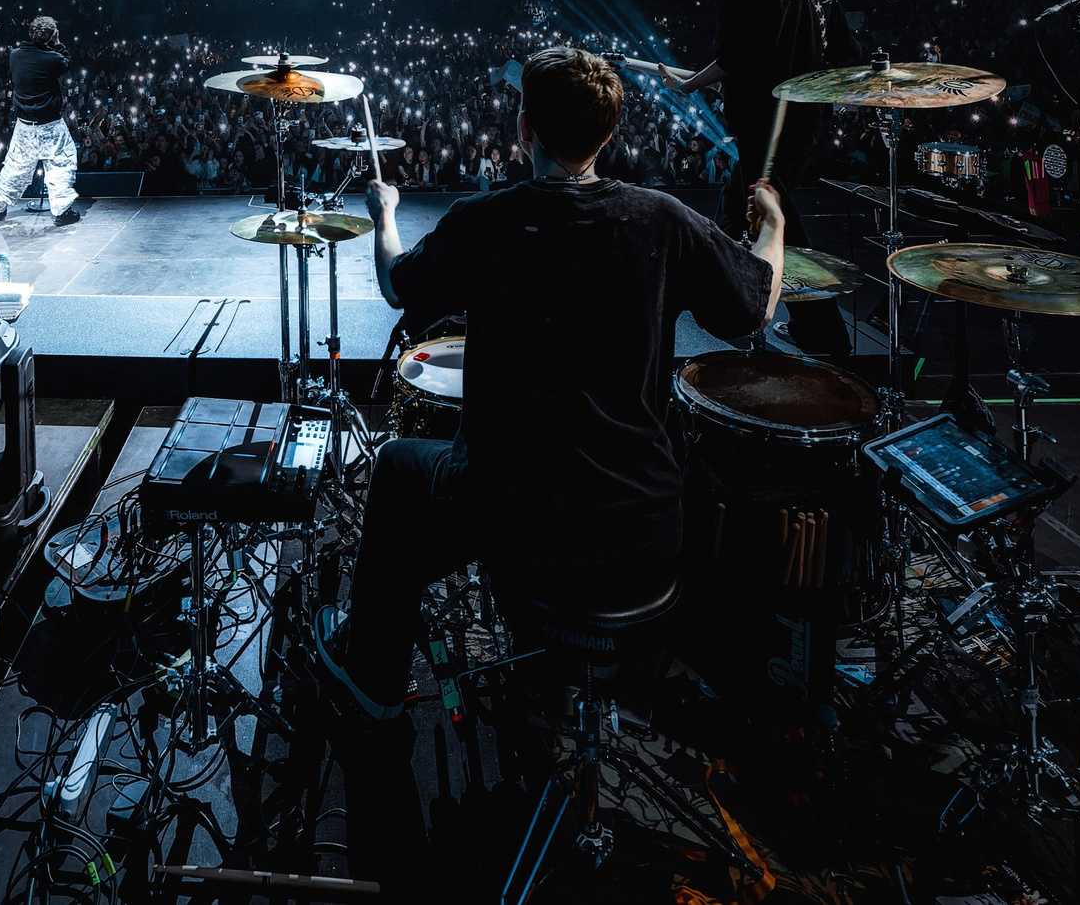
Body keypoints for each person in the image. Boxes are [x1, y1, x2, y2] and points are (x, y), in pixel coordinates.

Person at [312, 45, 784, 725]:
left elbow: (395, 284)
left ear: (524, 128)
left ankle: (373, 680)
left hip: (514, 519)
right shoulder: (663, 219)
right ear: (608, 135)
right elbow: (758, 304)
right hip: (643, 523)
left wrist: (384, 211)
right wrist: (773, 222)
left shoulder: (486, 222)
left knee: (394, 467)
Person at [631, 0, 851, 352]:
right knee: (733, 211)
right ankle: (727, 303)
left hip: (764, 125)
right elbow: (844, 48)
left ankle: (823, 332)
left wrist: (688, 84)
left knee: (776, 217)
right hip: (803, 118)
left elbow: (734, 56)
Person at [0, 15, 80, 225]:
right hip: (50, 125)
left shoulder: (14, 56)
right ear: (51, 36)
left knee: (15, 167)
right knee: (61, 164)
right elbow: (66, 62)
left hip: (24, 126)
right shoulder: (53, 59)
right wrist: (57, 43)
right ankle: (61, 211)